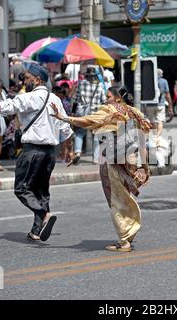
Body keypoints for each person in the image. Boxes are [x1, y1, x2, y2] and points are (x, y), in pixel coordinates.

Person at [0, 64, 74, 242]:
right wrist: (70, 152)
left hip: (32, 152)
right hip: (49, 153)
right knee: (41, 192)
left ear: (37, 80)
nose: (24, 81)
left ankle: (44, 214)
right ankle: (37, 231)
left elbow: (7, 106)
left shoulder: (30, 97)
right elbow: (66, 128)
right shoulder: (55, 99)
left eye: (27, 78)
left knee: (22, 189)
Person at [50, 86, 152, 252]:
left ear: (118, 98)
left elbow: (87, 121)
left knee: (115, 200)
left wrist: (63, 117)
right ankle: (129, 231)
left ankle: (124, 240)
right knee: (123, 197)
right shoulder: (135, 112)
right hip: (131, 161)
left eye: (108, 96)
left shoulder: (111, 110)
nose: (106, 99)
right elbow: (142, 142)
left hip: (113, 160)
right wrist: (145, 167)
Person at [71, 67, 107, 164]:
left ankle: (78, 152)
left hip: (82, 113)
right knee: (96, 135)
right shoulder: (100, 86)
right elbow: (104, 101)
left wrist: (73, 112)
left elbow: (76, 99)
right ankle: (95, 159)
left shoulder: (81, 84)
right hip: (96, 114)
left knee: (79, 133)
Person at [145, 68, 173, 138]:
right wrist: (170, 106)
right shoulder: (164, 81)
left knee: (151, 121)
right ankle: (157, 137)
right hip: (160, 104)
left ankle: (154, 136)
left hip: (149, 104)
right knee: (160, 121)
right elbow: (167, 95)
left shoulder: (148, 80)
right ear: (161, 74)